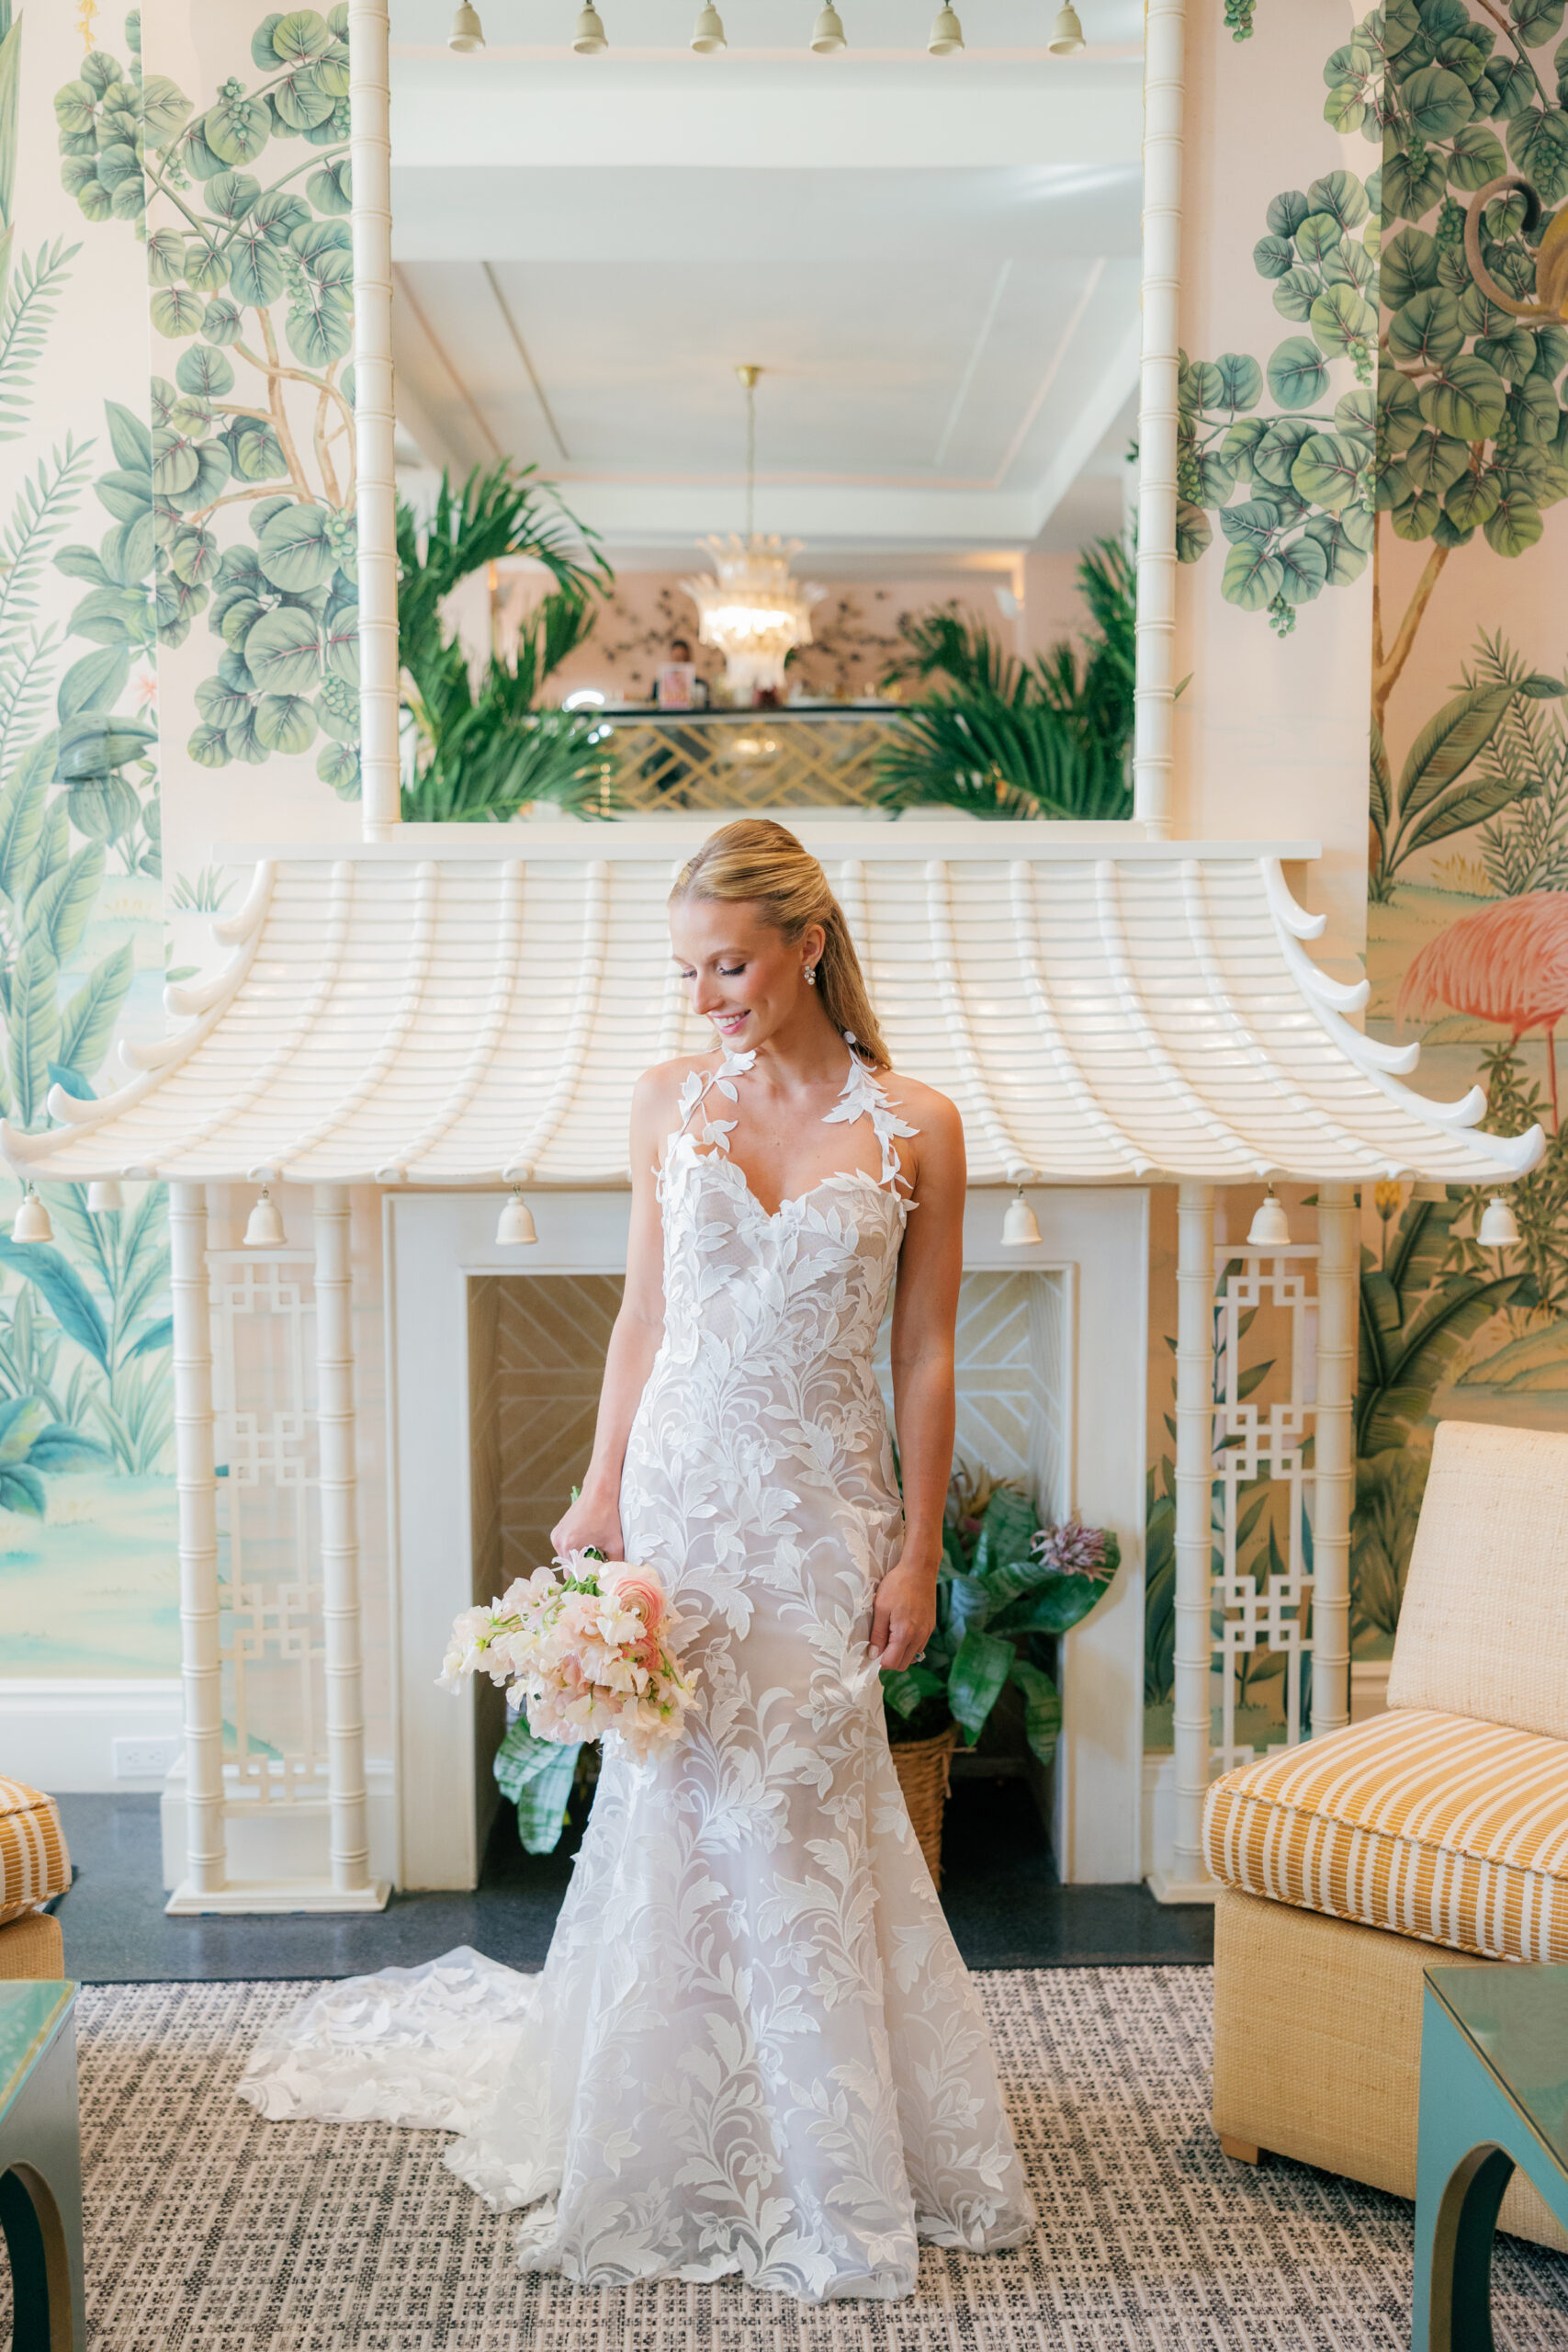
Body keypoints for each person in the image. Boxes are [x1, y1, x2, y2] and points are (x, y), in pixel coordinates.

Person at [238, 819, 1036, 2301]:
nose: (705, 997)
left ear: (808, 942)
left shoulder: (919, 1123)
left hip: (820, 1513)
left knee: (805, 1803)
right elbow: (643, 1319)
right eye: (688, 969)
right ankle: (662, 2126)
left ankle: (828, 2146)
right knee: (680, 1804)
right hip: (687, 1500)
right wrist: (601, 1494)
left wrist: (920, 1548)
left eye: (727, 964)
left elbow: (926, 1355)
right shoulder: (668, 1102)